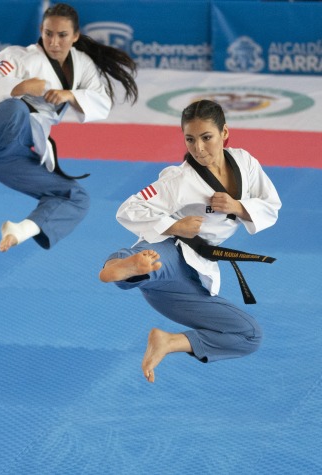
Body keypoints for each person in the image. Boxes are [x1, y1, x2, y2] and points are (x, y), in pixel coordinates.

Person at [0, 3, 138, 252]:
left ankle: (20, 230)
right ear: (41, 30)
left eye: (62, 35)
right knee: (16, 108)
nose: (54, 42)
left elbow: (101, 103)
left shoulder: (82, 64)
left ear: (75, 36)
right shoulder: (19, 56)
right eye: (48, 33)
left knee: (78, 198)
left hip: (15, 155)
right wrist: (22, 86)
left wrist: (69, 95)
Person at [99, 99, 282, 383]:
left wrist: (237, 206)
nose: (198, 148)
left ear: (225, 133)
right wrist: (175, 225)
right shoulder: (178, 180)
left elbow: (271, 205)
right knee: (150, 260)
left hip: (192, 281)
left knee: (249, 335)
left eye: (206, 137)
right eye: (190, 139)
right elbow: (128, 209)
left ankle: (168, 342)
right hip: (174, 252)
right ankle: (120, 268)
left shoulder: (245, 162)